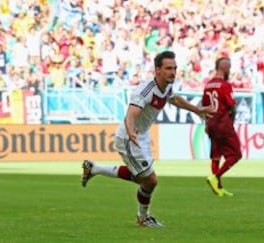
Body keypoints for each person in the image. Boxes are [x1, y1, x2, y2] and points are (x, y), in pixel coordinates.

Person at [81, 51, 214, 228]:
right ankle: (143, 217)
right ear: (157, 70)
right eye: (168, 68)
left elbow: (175, 99)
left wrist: (196, 110)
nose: (173, 72)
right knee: (150, 180)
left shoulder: (166, 86)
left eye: (174, 68)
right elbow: (131, 114)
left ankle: (94, 168)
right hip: (130, 138)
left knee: (142, 178)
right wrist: (130, 131)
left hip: (141, 136)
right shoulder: (145, 91)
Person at [202, 57, 242, 197]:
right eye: (229, 67)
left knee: (216, 155)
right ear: (225, 68)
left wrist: (207, 124)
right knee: (236, 154)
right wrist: (232, 121)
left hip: (212, 124)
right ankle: (215, 177)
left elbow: (205, 107)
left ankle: (218, 188)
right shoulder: (225, 85)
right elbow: (231, 105)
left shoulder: (208, 85)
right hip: (223, 123)